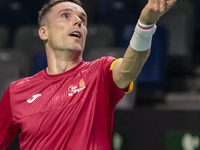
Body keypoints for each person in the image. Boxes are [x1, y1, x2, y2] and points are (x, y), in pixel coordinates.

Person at [0, 0, 177, 149]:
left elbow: (128, 69)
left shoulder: (99, 72)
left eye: (82, 20)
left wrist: (145, 24)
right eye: (65, 16)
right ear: (43, 32)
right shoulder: (17, 92)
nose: (77, 22)